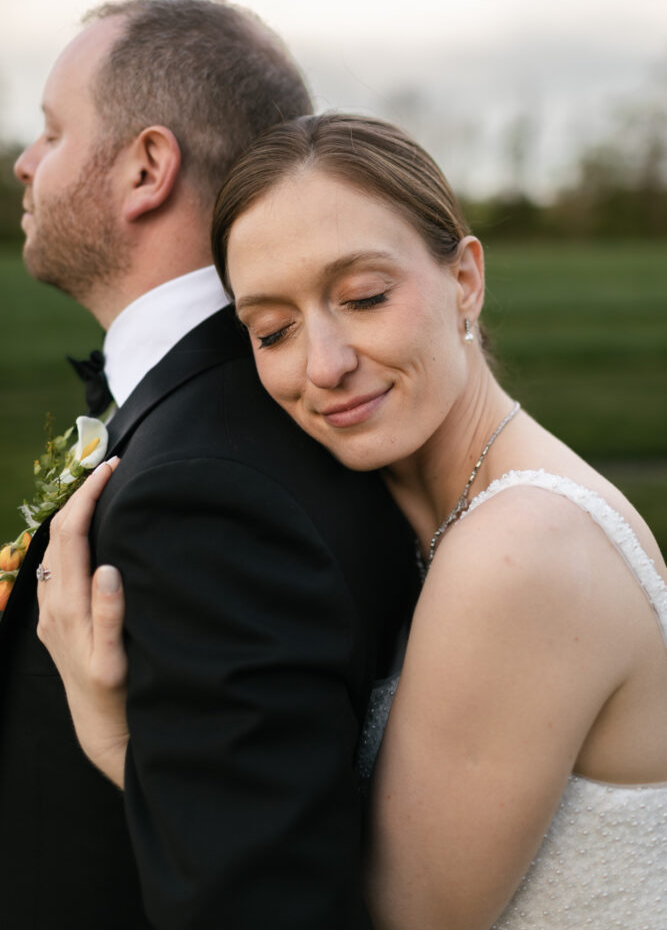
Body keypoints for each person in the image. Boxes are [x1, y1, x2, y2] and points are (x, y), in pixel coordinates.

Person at [38, 113, 667, 929]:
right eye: (273, 329)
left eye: (364, 297)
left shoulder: (520, 552)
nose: (324, 365)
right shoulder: (444, 518)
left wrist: (118, 741)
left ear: (465, 279)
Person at [3, 8, 419, 929]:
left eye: (53, 130)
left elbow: (256, 900)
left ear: (147, 169)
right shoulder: (214, 409)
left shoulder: (208, 484)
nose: (27, 163)